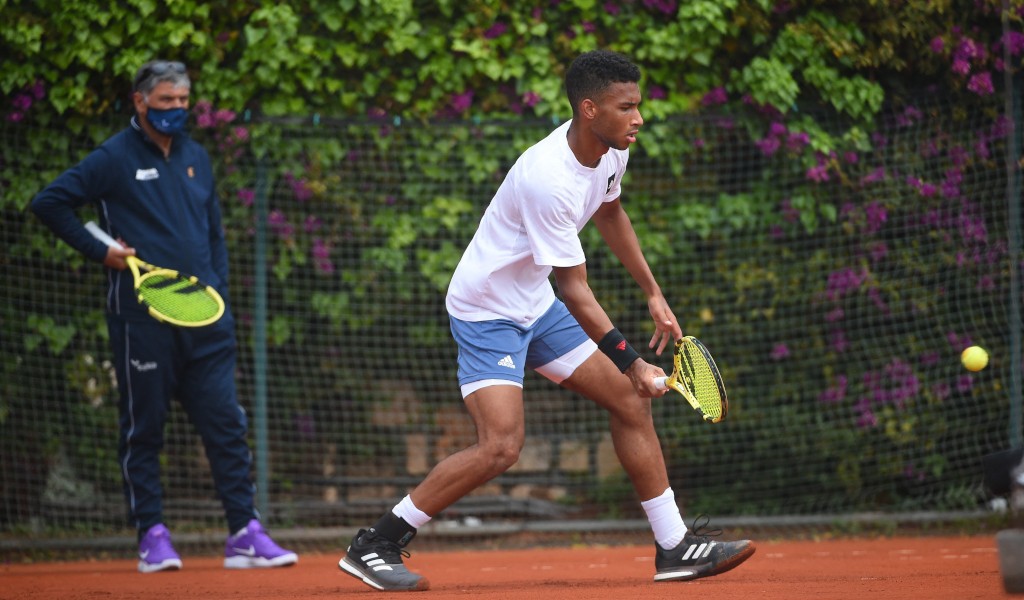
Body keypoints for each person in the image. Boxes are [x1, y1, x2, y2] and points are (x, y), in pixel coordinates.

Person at [337, 49, 754, 591]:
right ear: (588, 109)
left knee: (629, 403)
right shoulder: (547, 178)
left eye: (638, 105)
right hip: (488, 309)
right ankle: (376, 542)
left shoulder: (610, 151)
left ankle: (673, 546)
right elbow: (575, 288)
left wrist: (653, 292)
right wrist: (631, 361)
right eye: (626, 107)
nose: (639, 118)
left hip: (532, 301)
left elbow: (610, 212)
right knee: (501, 446)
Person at [30, 60, 297, 573]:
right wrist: (100, 251)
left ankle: (245, 532)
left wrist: (216, 290)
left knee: (226, 424)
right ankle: (152, 534)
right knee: (144, 428)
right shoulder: (113, 157)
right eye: (166, 101)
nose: (177, 109)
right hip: (142, 320)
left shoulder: (197, 157)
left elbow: (214, 232)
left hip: (207, 321)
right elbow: (50, 203)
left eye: (183, 101)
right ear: (140, 101)